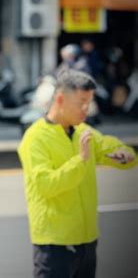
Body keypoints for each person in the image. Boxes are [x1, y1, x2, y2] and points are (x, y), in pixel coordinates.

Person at [17, 69, 137, 278]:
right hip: (54, 244)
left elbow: (110, 147)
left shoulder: (82, 131)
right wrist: (81, 160)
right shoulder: (34, 138)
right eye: (81, 103)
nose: (86, 110)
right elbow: (46, 185)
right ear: (60, 99)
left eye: (89, 103)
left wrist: (126, 155)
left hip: (87, 240)